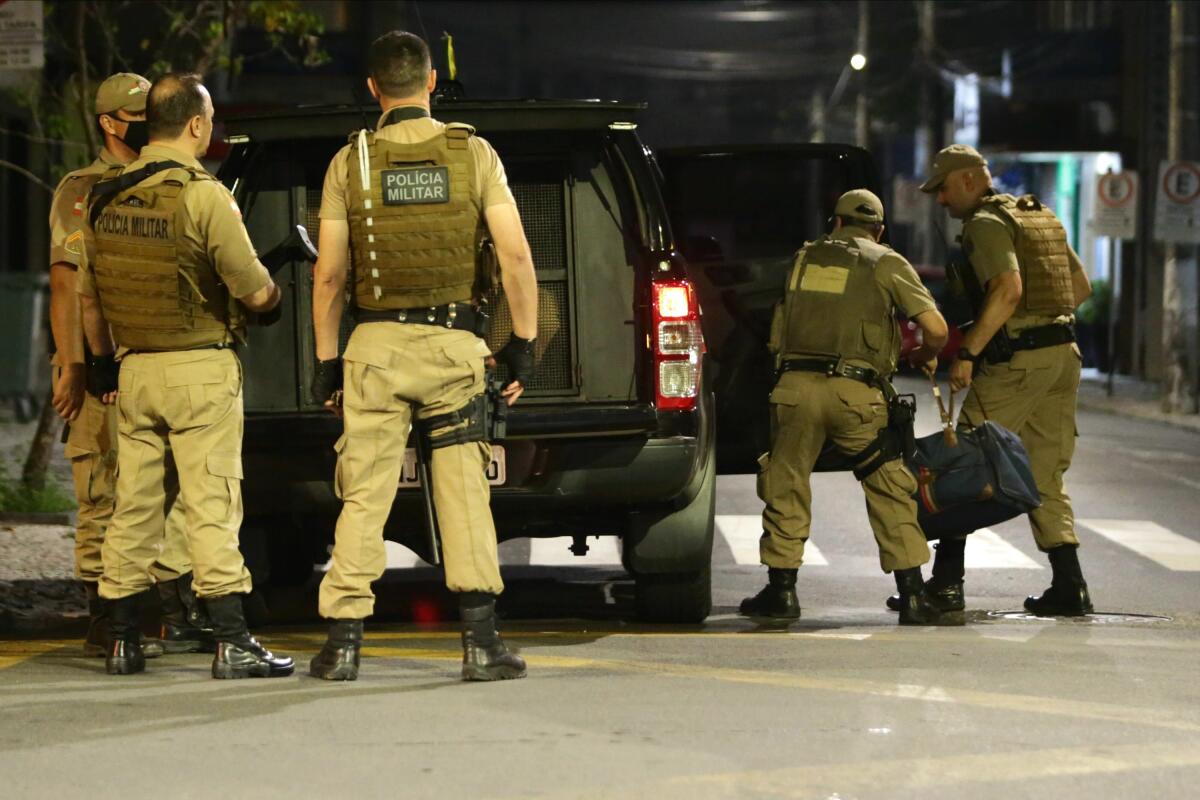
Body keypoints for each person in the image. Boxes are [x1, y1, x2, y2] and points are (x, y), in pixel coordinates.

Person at [308, 31, 539, 681]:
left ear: (374, 89)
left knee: (364, 493)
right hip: (453, 349)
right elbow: (516, 256)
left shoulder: (348, 162)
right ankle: (480, 643)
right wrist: (521, 348)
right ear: (432, 82)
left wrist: (327, 364)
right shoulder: (474, 154)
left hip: (375, 350)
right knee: (464, 492)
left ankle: (343, 644)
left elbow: (328, 277)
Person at [77, 73, 294, 678]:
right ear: (196, 124)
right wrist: (272, 299)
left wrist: (100, 369)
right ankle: (232, 640)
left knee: (132, 508)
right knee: (212, 504)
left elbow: (89, 301)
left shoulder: (101, 196)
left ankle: (122, 640)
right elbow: (254, 290)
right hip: (199, 368)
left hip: (134, 369)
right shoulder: (202, 195)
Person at [47, 72, 212, 659]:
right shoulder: (83, 187)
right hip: (101, 366)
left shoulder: (168, 179)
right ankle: (105, 615)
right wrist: (77, 366)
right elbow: (68, 288)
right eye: (134, 115)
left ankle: (167, 609)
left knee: (165, 489)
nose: (144, 123)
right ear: (109, 123)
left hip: (151, 358)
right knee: (104, 488)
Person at [739, 189, 958, 625]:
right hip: (855, 394)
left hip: (795, 390)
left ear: (834, 223)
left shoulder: (802, 259)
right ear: (877, 229)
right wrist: (921, 355)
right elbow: (935, 328)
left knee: (786, 482)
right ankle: (913, 595)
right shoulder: (885, 261)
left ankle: (781, 591)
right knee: (888, 485)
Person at [909, 144, 1093, 616]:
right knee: (1046, 470)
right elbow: (1080, 288)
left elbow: (1007, 289)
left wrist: (970, 351)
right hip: (1063, 356)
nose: (941, 201)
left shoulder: (987, 225)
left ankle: (947, 583)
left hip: (1018, 361)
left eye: (944, 189)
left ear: (970, 180)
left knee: (963, 458)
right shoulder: (1037, 216)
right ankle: (1070, 586)